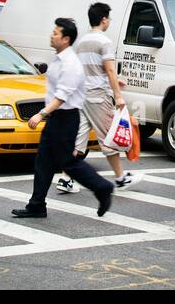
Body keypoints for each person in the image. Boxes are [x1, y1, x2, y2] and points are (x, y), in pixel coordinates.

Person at [13, 19, 114, 219]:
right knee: (43, 161)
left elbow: (62, 96)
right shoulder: (58, 59)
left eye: (56, 33)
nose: (52, 35)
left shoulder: (70, 64)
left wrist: (40, 114)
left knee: (68, 162)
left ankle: (102, 187)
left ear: (66, 39)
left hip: (66, 118)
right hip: (56, 119)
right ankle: (37, 205)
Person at [57, 2, 133, 195]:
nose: (109, 22)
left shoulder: (82, 41)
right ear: (104, 19)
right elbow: (109, 69)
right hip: (98, 95)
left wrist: (116, 80)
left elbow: (91, 69)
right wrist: (118, 95)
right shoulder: (104, 42)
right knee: (109, 137)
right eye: (108, 18)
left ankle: (66, 178)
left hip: (82, 95)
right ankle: (120, 178)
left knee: (79, 140)